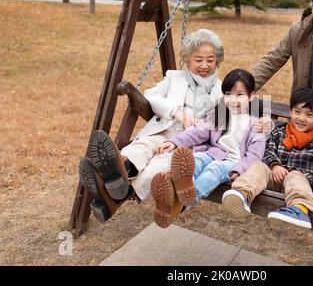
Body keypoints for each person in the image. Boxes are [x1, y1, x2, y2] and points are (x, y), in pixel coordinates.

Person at [79, 28, 225, 223]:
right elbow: (150, 95)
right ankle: (122, 167)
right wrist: (176, 112)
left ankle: (114, 192)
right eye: (198, 60)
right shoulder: (175, 78)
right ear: (188, 60)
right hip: (163, 129)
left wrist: (200, 127)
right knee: (143, 146)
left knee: (160, 165)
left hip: (187, 145)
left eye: (210, 60)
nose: (205, 65)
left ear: (217, 60)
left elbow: (220, 125)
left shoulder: (222, 90)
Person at [222, 85, 313, 230]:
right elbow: (267, 150)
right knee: (259, 166)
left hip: (303, 188)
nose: (301, 118)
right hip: (274, 181)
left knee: (295, 175)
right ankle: (242, 194)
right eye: (297, 112)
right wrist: (275, 165)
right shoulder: (279, 132)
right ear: (290, 111)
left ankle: (299, 210)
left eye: (309, 115)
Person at [149, 69, 267, 228]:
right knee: (196, 160)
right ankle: (171, 188)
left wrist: (239, 170)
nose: (233, 100)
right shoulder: (220, 114)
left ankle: (183, 202)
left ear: (251, 96)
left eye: (239, 94)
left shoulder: (256, 124)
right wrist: (176, 142)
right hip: (213, 153)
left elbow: (254, 155)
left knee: (214, 169)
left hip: (234, 162)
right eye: (228, 94)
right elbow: (199, 130)